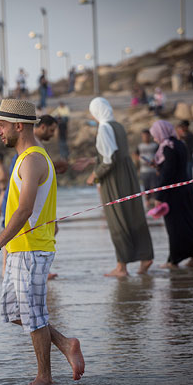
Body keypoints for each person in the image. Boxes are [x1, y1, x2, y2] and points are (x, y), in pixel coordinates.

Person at [0, 98, 84, 385]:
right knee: (12, 312)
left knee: (34, 314)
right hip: (19, 249)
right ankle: (65, 344)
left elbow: (24, 209)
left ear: (18, 125)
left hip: (32, 249)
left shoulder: (34, 159)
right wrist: (5, 248)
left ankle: (44, 377)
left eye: (1, 125)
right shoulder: (26, 158)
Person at [74, 97, 153, 277]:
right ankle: (145, 257)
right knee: (134, 215)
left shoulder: (103, 128)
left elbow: (109, 160)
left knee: (117, 219)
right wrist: (92, 161)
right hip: (128, 176)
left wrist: (94, 175)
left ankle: (121, 267)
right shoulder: (117, 125)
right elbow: (115, 153)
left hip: (114, 179)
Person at [150, 120, 193, 268]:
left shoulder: (167, 147)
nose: (155, 138)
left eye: (155, 135)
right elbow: (174, 167)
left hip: (173, 194)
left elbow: (167, 174)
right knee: (190, 223)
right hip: (186, 190)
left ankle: (173, 261)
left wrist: (159, 197)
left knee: (174, 227)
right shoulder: (179, 144)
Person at [136, 129, 159, 209]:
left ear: (150, 136)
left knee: (155, 186)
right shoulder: (140, 146)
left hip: (154, 170)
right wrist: (138, 166)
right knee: (146, 187)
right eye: (144, 136)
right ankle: (147, 203)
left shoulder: (155, 145)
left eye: (147, 136)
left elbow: (159, 156)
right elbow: (135, 155)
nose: (145, 137)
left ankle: (155, 202)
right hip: (144, 170)